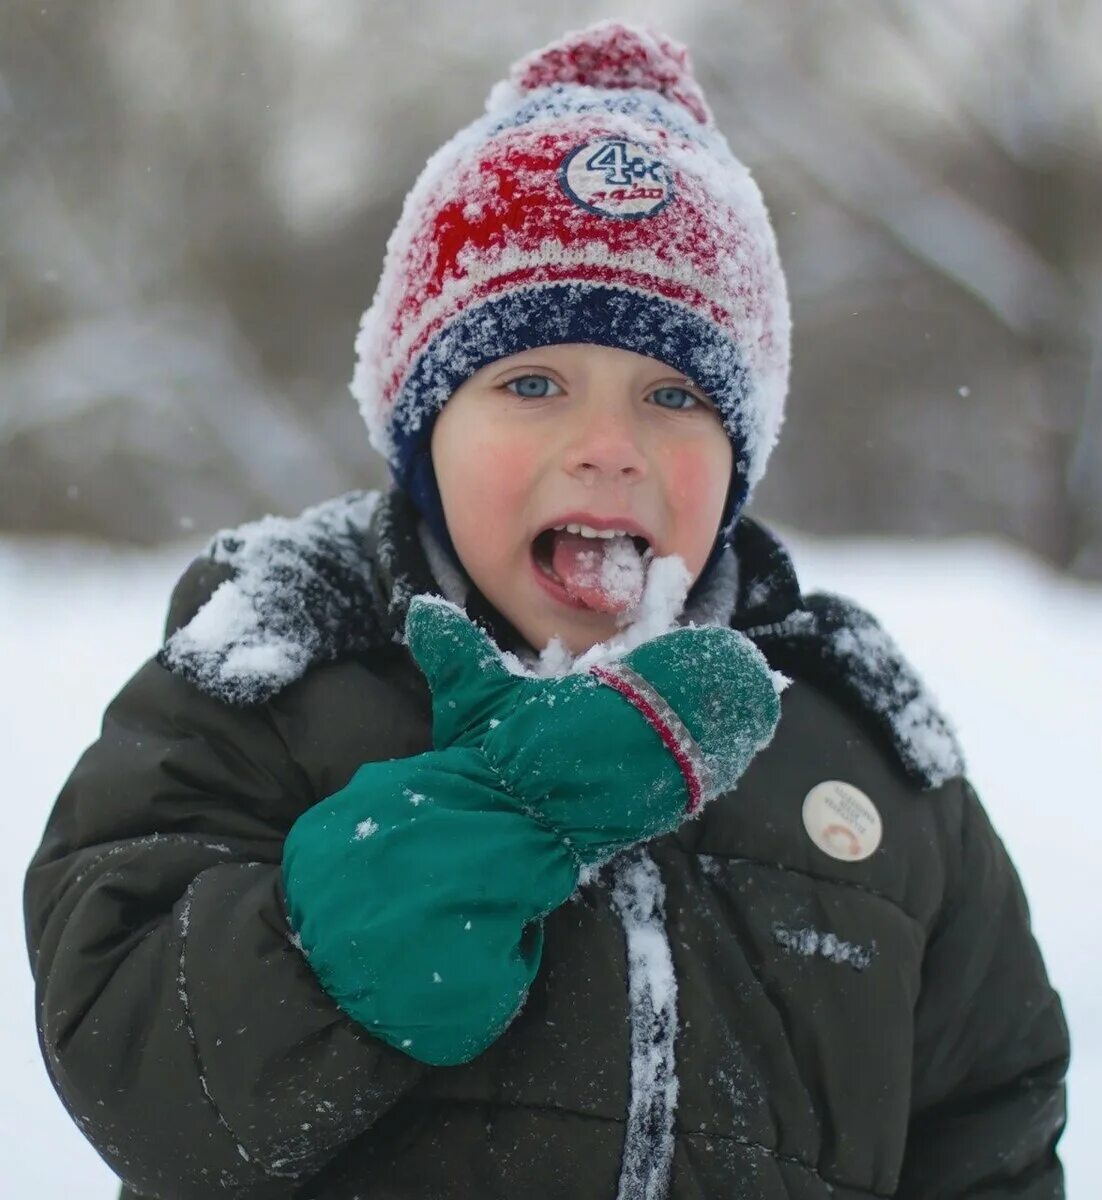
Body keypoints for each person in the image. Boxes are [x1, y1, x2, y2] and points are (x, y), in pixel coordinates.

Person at [24, 21, 1068, 1200]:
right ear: (423, 434)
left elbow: (993, 1136)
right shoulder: (278, 668)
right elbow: (147, 1084)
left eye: (675, 394)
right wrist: (492, 816)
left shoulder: (866, 758)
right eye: (531, 383)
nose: (609, 448)